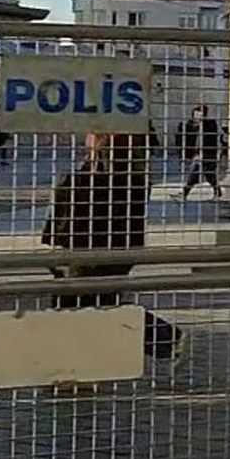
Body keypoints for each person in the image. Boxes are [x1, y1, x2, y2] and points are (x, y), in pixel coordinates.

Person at [42, 132, 180, 361]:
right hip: (98, 248)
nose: (88, 138)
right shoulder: (108, 171)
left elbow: (82, 207)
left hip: (96, 250)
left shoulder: (113, 175)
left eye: (94, 135)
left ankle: (165, 339)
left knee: (86, 303)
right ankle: (164, 340)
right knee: (95, 303)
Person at [176, 104, 222, 201]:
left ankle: (184, 194)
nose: (196, 117)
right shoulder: (193, 125)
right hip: (198, 154)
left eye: (198, 115)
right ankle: (217, 193)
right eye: (195, 115)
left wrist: (202, 121)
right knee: (209, 175)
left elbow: (210, 130)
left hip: (207, 154)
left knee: (194, 174)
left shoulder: (210, 124)